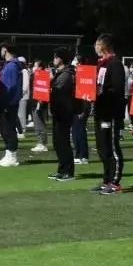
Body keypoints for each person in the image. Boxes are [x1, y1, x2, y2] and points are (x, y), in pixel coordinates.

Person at [92, 34, 127, 194]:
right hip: (100, 111)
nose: (95, 47)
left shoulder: (115, 64)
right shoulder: (101, 64)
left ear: (104, 45)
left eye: (97, 44)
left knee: (112, 147)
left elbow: (118, 89)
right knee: (102, 147)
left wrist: (101, 92)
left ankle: (115, 182)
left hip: (111, 112)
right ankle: (106, 179)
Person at [48, 48, 77, 182]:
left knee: (63, 141)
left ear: (61, 59)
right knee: (57, 142)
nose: (54, 59)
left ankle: (68, 171)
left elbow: (59, 90)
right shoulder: (60, 73)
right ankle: (61, 169)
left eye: (56, 57)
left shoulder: (66, 74)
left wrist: (50, 83)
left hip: (64, 111)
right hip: (58, 110)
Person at [0, 42, 22, 167]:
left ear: (6, 50)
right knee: (4, 128)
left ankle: (12, 156)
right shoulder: (8, 65)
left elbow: (11, 86)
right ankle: (8, 153)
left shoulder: (12, 66)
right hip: (5, 101)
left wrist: (6, 102)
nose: (1, 51)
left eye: (2, 49)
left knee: (9, 128)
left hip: (9, 102)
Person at [72, 54, 91, 165]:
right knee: (75, 131)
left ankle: (83, 155)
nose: (73, 62)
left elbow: (86, 93)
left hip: (82, 106)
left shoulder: (85, 74)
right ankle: (78, 154)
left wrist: (83, 109)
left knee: (80, 131)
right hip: (75, 105)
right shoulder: (75, 73)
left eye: (75, 60)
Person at [30, 60, 50, 154]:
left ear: (40, 67)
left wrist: (40, 102)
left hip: (39, 102)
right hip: (34, 102)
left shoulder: (43, 76)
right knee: (37, 123)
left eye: (36, 66)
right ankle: (40, 142)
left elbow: (43, 90)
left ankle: (43, 143)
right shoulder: (35, 75)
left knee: (40, 123)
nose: (34, 68)